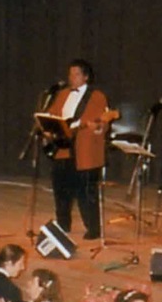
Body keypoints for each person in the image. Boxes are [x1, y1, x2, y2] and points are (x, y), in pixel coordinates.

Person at [43, 59, 114, 241]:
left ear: (86, 77)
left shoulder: (97, 96)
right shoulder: (62, 94)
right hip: (62, 149)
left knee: (86, 193)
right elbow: (52, 114)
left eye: (75, 74)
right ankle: (63, 224)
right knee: (61, 189)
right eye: (70, 74)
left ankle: (92, 228)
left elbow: (102, 123)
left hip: (85, 151)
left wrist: (97, 126)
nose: (71, 78)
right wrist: (49, 129)